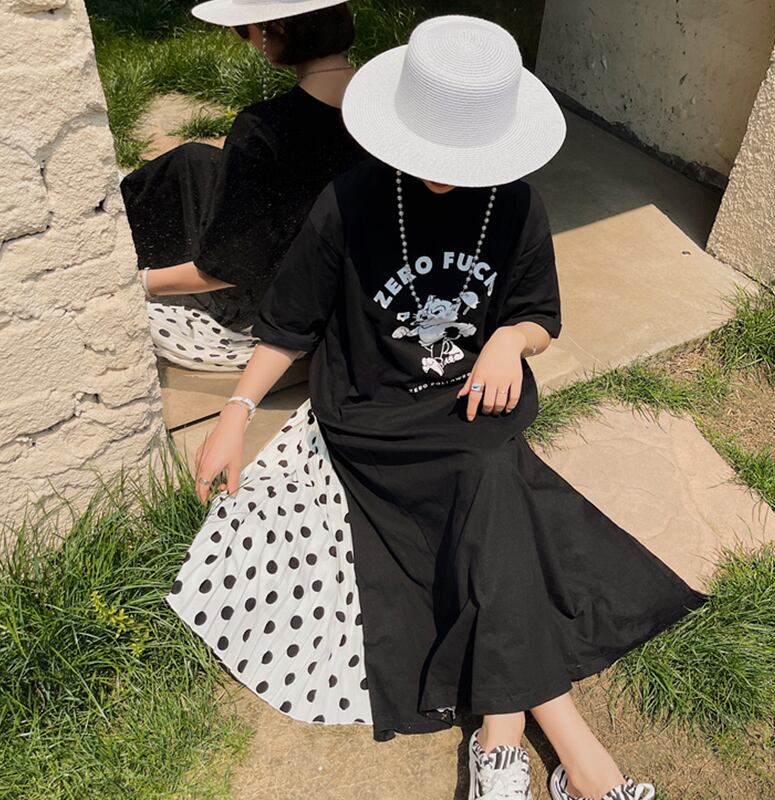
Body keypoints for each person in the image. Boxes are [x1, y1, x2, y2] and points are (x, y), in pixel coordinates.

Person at [165, 15, 709, 800]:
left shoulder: (517, 208)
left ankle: (504, 747)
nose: (444, 171)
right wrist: (234, 415)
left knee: (488, 481)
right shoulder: (350, 201)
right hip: (373, 416)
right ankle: (572, 758)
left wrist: (509, 340)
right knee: (495, 499)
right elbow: (289, 325)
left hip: (474, 408)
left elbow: (539, 317)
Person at [121, 0, 364, 372]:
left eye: (245, 30)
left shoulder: (264, 128)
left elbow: (229, 268)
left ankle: (114, 252)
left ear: (277, 27)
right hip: (351, 275)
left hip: (281, 300)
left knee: (168, 186)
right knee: (192, 160)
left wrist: (141, 282)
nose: (245, 41)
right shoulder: (381, 104)